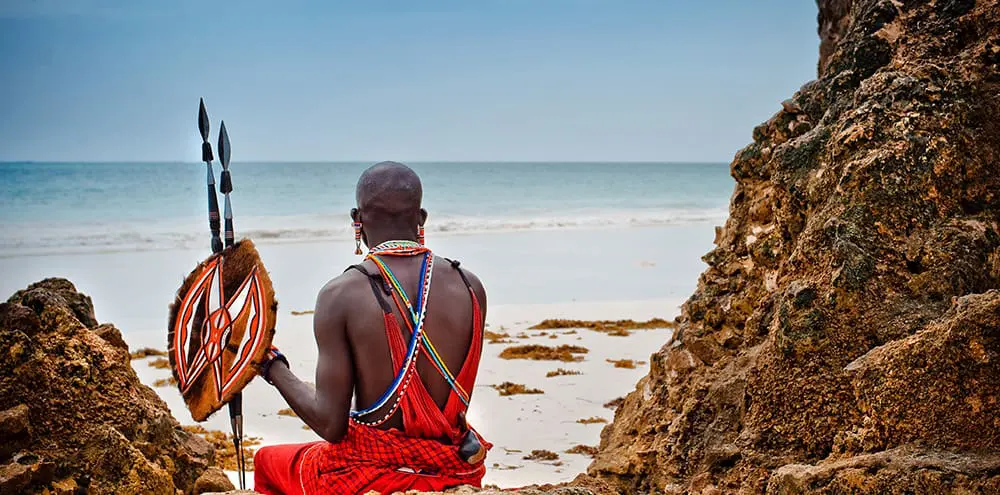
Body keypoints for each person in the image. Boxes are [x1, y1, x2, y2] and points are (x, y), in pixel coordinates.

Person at [253, 161, 491, 495]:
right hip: (454, 470)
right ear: (421, 218)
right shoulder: (470, 286)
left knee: (267, 460)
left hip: (371, 476)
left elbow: (330, 425)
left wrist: (271, 366)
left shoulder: (340, 295)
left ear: (357, 219)